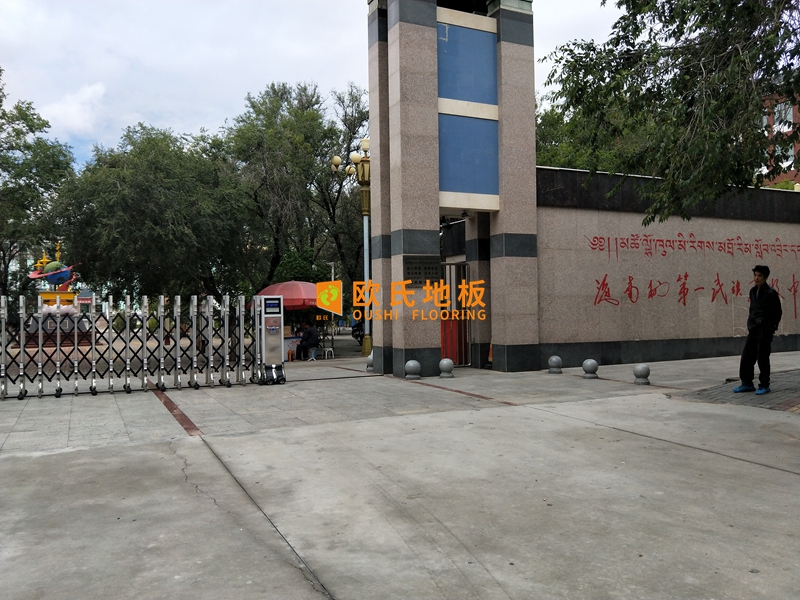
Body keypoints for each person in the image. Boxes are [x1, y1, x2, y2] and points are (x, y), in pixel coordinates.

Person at [733, 265, 782, 395]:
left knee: (762, 358)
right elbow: (753, 310)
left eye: (759, 276)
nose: (756, 278)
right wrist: (750, 324)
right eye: (755, 275)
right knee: (747, 357)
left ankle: (764, 385)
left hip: (764, 330)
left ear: (765, 277)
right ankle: (747, 383)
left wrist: (770, 328)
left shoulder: (771, 293)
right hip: (753, 328)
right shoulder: (753, 291)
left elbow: (777, 312)